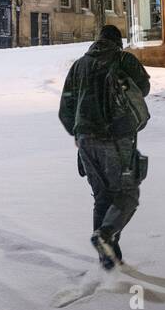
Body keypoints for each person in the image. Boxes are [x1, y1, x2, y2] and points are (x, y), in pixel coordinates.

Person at [57, 23, 150, 269]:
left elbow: (65, 108)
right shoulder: (123, 60)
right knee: (127, 194)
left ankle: (109, 259)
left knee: (102, 197)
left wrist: (78, 132)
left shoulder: (79, 66)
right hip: (116, 138)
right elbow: (145, 89)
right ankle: (106, 235)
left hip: (86, 141)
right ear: (118, 42)